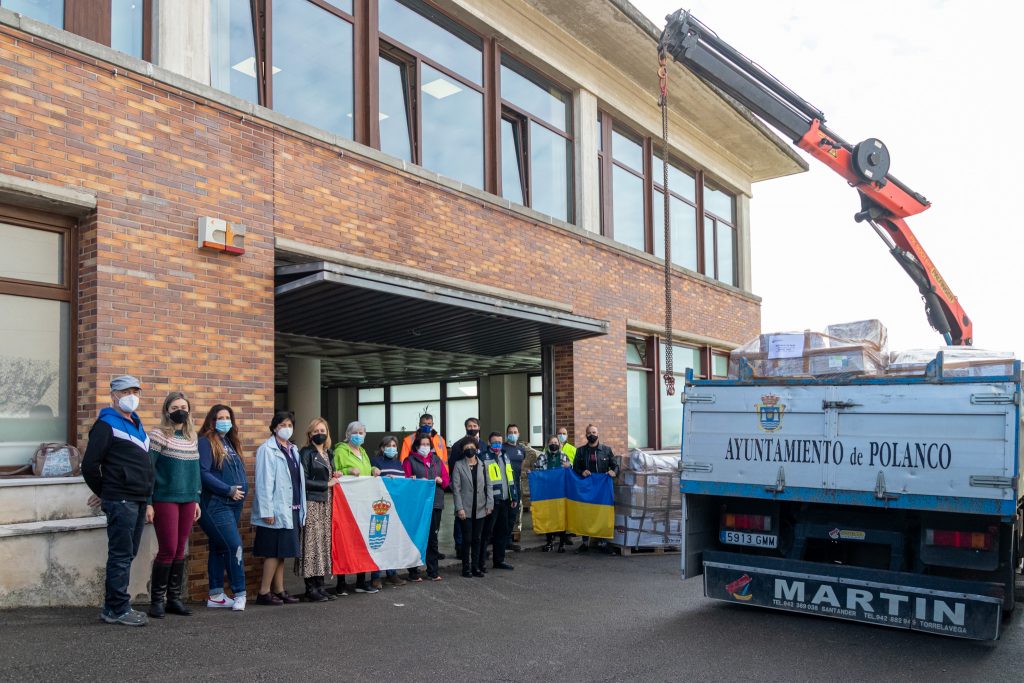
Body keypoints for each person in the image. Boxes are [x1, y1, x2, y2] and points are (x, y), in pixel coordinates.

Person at [81, 375, 154, 627]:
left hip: (137, 498)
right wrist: (106, 491)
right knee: (121, 555)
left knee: (128, 553)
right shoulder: (105, 425)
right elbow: (90, 466)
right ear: (113, 395)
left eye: (135, 391)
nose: (131, 396)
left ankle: (114, 605)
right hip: (121, 500)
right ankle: (118, 609)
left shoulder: (136, 423)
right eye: (125, 391)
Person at [146, 392, 202, 618]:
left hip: (188, 499)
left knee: (180, 549)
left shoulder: (192, 437)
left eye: (184, 406)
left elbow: (196, 471)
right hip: (165, 498)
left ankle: (174, 599)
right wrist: (149, 502)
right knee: (168, 549)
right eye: (175, 407)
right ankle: (156, 601)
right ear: (167, 411)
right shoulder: (158, 436)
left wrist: (196, 499)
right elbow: (148, 471)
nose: (180, 410)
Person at [197, 404, 248, 611]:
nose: (225, 420)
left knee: (219, 547)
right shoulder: (205, 442)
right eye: (221, 417)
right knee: (233, 546)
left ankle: (216, 595)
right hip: (216, 505)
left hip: (233, 505)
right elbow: (203, 473)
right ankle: (240, 593)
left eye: (228, 417)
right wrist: (228, 490)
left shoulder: (228, 442)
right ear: (212, 420)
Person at [252, 411, 306, 606]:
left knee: (282, 552)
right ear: (274, 427)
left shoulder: (293, 449)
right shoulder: (267, 449)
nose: (287, 428)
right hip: (274, 509)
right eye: (282, 425)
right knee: (273, 552)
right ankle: (264, 592)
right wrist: (266, 510)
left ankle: (279, 590)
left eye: (290, 425)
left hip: (290, 507)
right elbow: (264, 482)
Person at [334, 420, 382, 594]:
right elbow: (336, 471)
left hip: (364, 502)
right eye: (356, 432)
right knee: (345, 541)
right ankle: (341, 583)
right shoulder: (340, 451)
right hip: (347, 502)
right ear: (348, 434)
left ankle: (362, 581)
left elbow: (366, 469)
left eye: (362, 432)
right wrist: (348, 471)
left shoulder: (362, 451)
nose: (359, 435)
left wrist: (373, 469)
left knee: (363, 541)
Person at [297, 418, 338, 602]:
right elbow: (302, 481)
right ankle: (310, 588)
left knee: (322, 544)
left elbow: (330, 473)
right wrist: (326, 484)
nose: (319, 433)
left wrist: (336, 474)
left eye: (322, 430)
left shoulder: (329, 453)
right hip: (313, 502)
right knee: (311, 545)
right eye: (315, 431)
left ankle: (320, 585)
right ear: (310, 434)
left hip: (327, 504)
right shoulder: (306, 453)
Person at [403, 433, 450, 581]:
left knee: (433, 538)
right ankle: (413, 571)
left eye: (427, 444)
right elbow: (406, 480)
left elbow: (447, 481)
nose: (425, 447)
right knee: (416, 536)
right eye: (422, 444)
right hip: (417, 504)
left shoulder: (437, 460)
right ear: (417, 446)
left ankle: (433, 571)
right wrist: (417, 481)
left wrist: (441, 480)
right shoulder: (409, 460)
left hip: (435, 503)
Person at [572, 423, 617, 554]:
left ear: (598, 434)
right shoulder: (580, 451)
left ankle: (603, 543)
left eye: (594, 432)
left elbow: (615, 465)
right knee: (585, 513)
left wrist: (614, 472)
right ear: (586, 435)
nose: (592, 435)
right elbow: (575, 468)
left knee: (602, 513)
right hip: (586, 487)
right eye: (589, 433)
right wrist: (582, 471)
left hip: (602, 489)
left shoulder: (606, 450)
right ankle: (584, 543)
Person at [451, 440, 493, 577]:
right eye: (466, 447)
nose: (470, 449)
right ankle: (466, 567)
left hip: (480, 507)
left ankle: (476, 567)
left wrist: (489, 504)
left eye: (472, 447)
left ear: (476, 449)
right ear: (463, 450)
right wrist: (459, 508)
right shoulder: (458, 465)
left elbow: (489, 485)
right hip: (465, 509)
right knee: (467, 539)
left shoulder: (483, 465)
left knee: (477, 538)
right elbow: (456, 489)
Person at [370, 436, 407, 587]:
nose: (391, 448)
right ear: (382, 448)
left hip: (396, 507)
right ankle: (376, 575)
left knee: (393, 541)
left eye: (394, 445)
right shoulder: (376, 461)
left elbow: (403, 482)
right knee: (378, 540)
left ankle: (392, 573)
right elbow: (373, 480)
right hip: (381, 507)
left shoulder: (399, 463)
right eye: (388, 445)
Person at [481, 432, 518, 570]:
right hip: (492, 501)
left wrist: (513, 496)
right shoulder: (484, 457)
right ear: (489, 443)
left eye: (499, 442)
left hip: (505, 500)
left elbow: (510, 477)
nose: (497, 444)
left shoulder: (505, 455)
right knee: (486, 532)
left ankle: (499, 560)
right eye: (494, 442)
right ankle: (481, 561)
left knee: (502, 532)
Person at [447, 417, 481, 555]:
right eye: (469, 426)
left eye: (474, 425)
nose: (472, 428)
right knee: (460, 517)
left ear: (479, 427)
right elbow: (452, 466)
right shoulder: (457, 445)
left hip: (479, 487)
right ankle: (460, 547)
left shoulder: (483, 445)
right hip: (462, 486)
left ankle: (476, 547)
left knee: (477, 517)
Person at [503, 423, 537, 552]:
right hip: (504, 485)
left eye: (515, 432)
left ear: (518, 434)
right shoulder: (502, 448)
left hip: (516, 485)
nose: (512, 434)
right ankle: (500, 540)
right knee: (503, 515)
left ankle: (508, 541)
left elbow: (522, 466)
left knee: (513, 514)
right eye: (510, 432)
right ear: (507, 434)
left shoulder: (521, 449)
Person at [535, 434, 572, 552]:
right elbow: (538, 473)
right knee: (548, 518)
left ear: (559, 444)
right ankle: (549, 542)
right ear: (547, 444)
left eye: (556, 442)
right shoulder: (542, 457)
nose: (554, 444)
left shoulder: (564, 456)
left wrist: (569, 466)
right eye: (552, 442)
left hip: (561, 493)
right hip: (547, 493)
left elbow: (571, 474)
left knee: (561, 517)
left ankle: (561, 544)